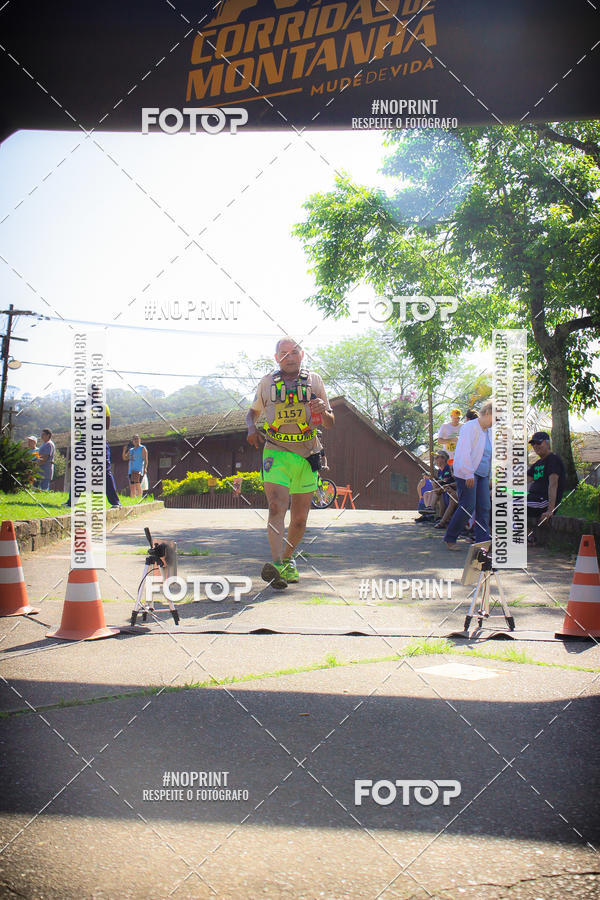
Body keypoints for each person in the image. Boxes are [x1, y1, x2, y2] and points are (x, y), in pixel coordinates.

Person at [247, 337, 334, 588]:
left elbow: (330, 422)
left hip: (307, 453)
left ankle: (287, 561)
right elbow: (251, 413)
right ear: (276, 358)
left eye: (294, 352)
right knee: (276, 506)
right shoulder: (266, 383)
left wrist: (322, 410)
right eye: (283, 353)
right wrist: (251, 427)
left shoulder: (314, 380)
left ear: (302, 354)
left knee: (299, 519)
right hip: (276, 451)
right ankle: (276, 564)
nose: (289, 356)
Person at [443, 400, 493, 550]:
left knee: (484, 507)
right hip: (467, 473)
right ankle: (450, 538)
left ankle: (482, 542)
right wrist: (468, 473)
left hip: (483, 474)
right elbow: (464, 452)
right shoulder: (469, 427)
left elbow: (489, 455)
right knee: (468, 506)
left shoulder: (489, 432)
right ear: (488, 413)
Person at [527, 431, 566, 542]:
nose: (535, 446)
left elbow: (553, 484)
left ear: (547, 443)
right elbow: (521, 480)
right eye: (533, 444)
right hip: (533, 499)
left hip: (542, 501)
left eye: (538, 443)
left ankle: (527, 537)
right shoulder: (538, 463)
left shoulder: (553, 460)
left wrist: (550, 510)